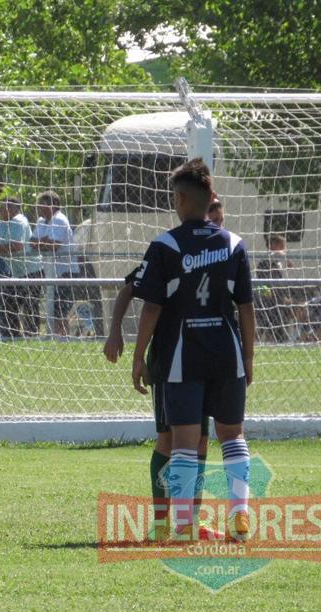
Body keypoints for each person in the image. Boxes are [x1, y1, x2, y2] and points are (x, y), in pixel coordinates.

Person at [131, 158, 255, 542]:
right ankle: (240, 514)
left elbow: (151, 308)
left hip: (182, 355)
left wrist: (138, 356)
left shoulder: (165, 245)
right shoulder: (233, 244)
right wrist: (249, 357)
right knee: (232, 435)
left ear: (182, 199)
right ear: (210, 197)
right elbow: (246, 308)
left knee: (184, 441)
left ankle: (183, 524)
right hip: (226, 351)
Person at [104, 194, 225, 539]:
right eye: (212, 212)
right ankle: (160, 523)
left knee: (201, 442)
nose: (216, 219)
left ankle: (191, 522)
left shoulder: (225, 253)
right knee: (168, 441)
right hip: (170, 359)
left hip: (205, 360)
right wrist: (116, 333)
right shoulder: (171, 249)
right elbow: (130, 289)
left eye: (220, 214)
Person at [31, 191, 78, 337]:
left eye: (42, 204)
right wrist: (44, 241)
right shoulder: (41, 221)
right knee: (52, 309)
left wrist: (42, 242)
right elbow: (32, 242)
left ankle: (63, 339)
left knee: (60, 311)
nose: (39, 207)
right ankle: (55, 337)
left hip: (65, 272)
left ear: (53, 205)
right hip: (50, 272)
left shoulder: (59, 219)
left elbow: (54, 246)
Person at [0, 198, 36, 337]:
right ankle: (13, 336)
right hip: (15, 272)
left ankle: (32, 337)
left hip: (31, 271)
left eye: (2, 208)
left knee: (30, 307)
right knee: (8, 303)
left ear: (11, 209)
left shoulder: (19, 221)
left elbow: (16, 246)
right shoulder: (3, 223)